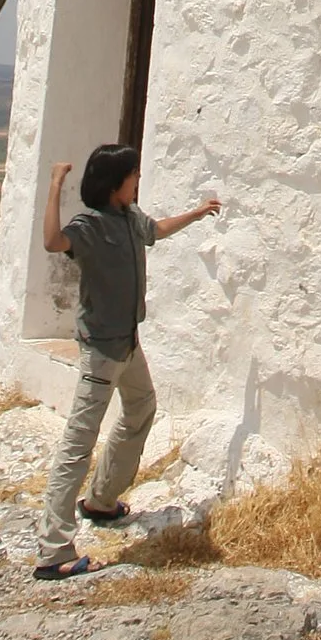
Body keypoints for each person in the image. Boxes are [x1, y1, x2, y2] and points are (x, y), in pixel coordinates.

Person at [33, 141, 221, 580]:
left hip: (127, 344)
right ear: (115, 183)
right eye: (133, 175)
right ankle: (53, 550)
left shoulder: (127, 218)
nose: (138, 180)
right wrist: (57, 182)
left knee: (141, 407)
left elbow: (155, 230)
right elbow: (51, 241)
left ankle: (101, 501)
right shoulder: (90, 225)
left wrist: (195, 213)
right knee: (78, 444)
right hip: (101, 351)